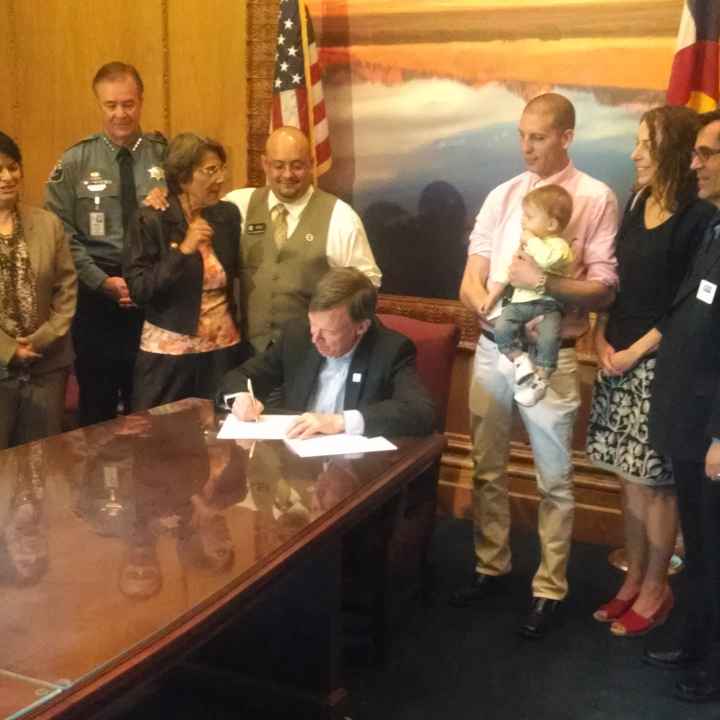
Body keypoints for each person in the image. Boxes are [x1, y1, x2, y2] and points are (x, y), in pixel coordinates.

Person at [451, 93, 619, 638]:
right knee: (487, 468)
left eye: (539, 137)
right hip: (493, 349)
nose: (526, 146)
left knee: (554, 481)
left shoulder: (595, 197)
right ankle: (490, 565)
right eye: (522, 135)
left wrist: (543, 286)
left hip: (552, 356)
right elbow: (471, 274)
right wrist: (485, 305)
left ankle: (549, 588)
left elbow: (604, 289)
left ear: (566, 136)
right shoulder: (503, 196)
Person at [587, 106, 714, 637]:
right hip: (613, 356)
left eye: (645, 144)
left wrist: (636, 350)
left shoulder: (699, 215)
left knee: (656, 485)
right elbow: (617, 281)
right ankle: (633, 580)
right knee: (628, 480)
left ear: (674, 152)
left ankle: (658, 589)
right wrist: (597, 335)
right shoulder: (638, 199)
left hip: (658, 363)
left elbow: (688, 304)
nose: (635, 153)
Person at [643, 110, 720, 703]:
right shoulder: (715, 228)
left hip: (714, 433)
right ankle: (695, 643)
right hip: (690, 422)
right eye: (694, 153)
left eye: (707, 154)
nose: (694, 165)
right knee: (701, 545)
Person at [45, 61, 167, 426]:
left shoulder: (167, 156)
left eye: (128, 104)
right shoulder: (76, 161)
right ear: (98, 104)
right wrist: (101, 280)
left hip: (155, 294)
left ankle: (151, 484)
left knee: (149, 404)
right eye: (111, 105)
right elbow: (60, 232)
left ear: (141, 101)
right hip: (97, 294)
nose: (120, 114)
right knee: (96, 405)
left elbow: (188, 222)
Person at [217, 267, 435, 439]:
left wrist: (340, 422)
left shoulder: (390, 350)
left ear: (361, 327)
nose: (315, 338)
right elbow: (240, 376)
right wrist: (240, 397)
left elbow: (420, 412)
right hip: (296, 462)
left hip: (356, 471)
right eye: (313, 325)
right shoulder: (298, 336)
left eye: (329, 332)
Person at [226, 126, 381, 353]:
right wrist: (157, 199)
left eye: (297, 165)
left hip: (311, 353)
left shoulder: (341, 216)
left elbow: (367, 284)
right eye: (278, 165)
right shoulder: (239, 205)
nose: (287, 175)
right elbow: (191, 217)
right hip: (247, 351)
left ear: (311, 163)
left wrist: (337, 334)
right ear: (265, 164)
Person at [124, 133, 242, 409]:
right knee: (164, 442)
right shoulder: (151, 218)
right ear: (183, 176)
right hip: (169, 356)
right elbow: (139, 289)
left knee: (221, 443)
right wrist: (183, 251)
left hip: (222, 352)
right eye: (210, 171)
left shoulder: (227, 215)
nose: (220, 179)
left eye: (221, 169)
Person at [0, 132, 77, 449]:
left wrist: (42, 339)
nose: (6, 177)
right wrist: (8, 350)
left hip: (47, 365)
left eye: (12, 167)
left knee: (47, 465)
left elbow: (67, 289)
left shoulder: (48, 224)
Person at [485, 184, 574, 406]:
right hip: (521, 302)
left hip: (547, 305)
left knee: (548, 339)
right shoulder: (527, 245)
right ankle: (519, 358)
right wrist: (494, 294)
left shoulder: (560, 246)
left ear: (552, 224)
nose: (523, 221)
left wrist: (530, 240)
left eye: (530, 217)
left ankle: (541, 382)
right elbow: (511, 270)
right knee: (503, 327)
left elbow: (546, 261)